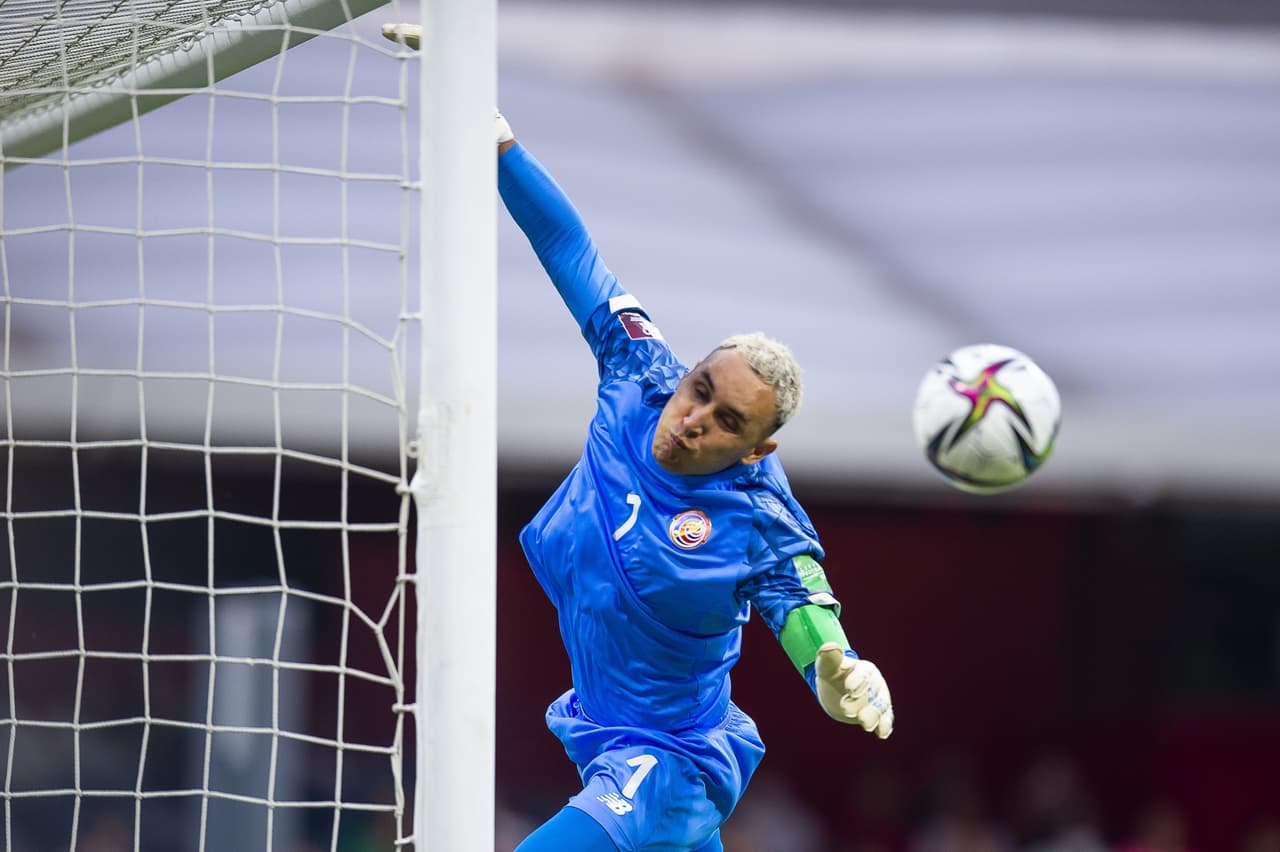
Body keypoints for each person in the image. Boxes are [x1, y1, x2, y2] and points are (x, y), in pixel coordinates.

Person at [492, 108, 895, 852]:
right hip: (599, 725)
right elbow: (569, 248)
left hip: (671, 757)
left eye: (728, 420)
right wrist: (500, 148)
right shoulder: (640, 370)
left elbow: (805, 612)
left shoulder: (759, 516)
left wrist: (837, 672)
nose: (694, 416)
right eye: (701, 386)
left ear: (756, 448)